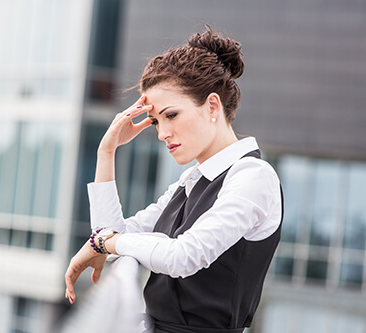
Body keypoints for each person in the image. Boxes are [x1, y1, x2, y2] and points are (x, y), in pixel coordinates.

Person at [64, 27, 283, 333]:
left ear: (212, 107)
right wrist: (107, 151)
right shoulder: (189, 183)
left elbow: (183, 256)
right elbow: (115, 234)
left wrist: (105, 244)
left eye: (171, 115)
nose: (161, 133)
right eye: (156, 121)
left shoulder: (252, 177)